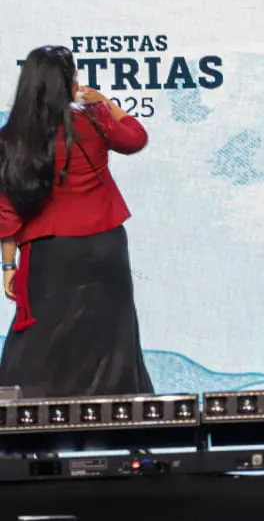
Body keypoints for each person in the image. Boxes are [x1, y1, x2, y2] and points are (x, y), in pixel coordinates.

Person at [0, 46, 153, 398]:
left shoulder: (10, 139)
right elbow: (135, 138)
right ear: (66, 81)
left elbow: (6, 211)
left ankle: (25, 419)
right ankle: (119, 419)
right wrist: (106, 103)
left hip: (49, 251)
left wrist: (9, 266)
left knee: (41, 337)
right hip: (105, 244)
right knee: (111, 335)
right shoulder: (93, 119)